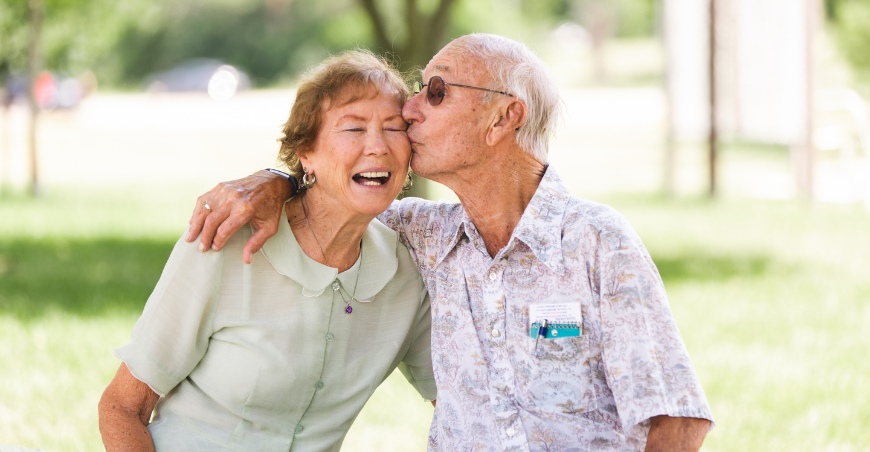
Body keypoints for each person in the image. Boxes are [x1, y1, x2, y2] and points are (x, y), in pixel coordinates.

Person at [187, 34, 715, 451]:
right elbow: (335, 194)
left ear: (504, 118)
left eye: (435, 91)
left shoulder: (598, 241)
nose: (409, 110)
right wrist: (275, 179)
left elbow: (677, 421)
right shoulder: (424, 235)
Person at [98, 50, 436, 452]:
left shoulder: (407, 273)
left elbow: (458, 402)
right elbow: (121, 408)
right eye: (354, 128)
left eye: (394, 128)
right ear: (306, 152)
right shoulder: (224, 244)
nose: (378, 146)